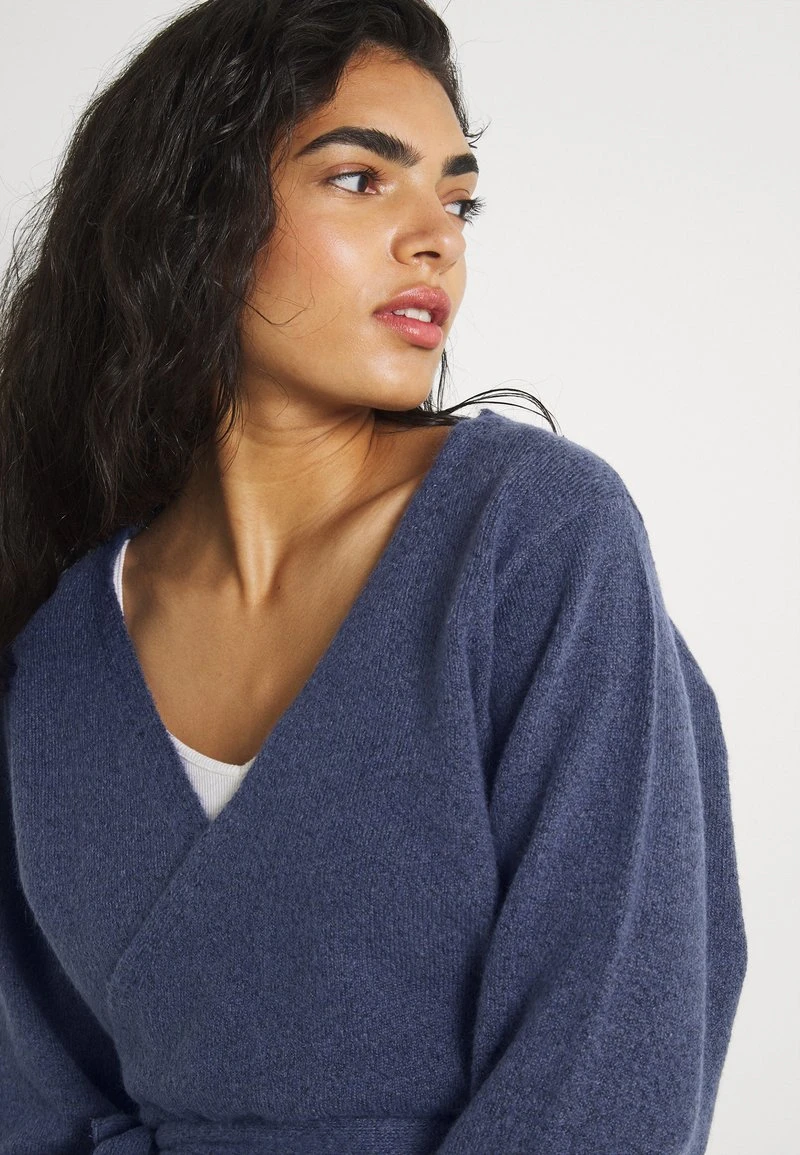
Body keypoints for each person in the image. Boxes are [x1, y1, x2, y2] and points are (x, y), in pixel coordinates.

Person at [0, 1, 747, 1152]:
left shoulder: (529, 537)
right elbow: (34, 1093)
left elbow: (613, 1045)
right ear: (190, 213)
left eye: (456, 199)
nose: (435, 238)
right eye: (359, 180)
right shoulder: (54, 653)